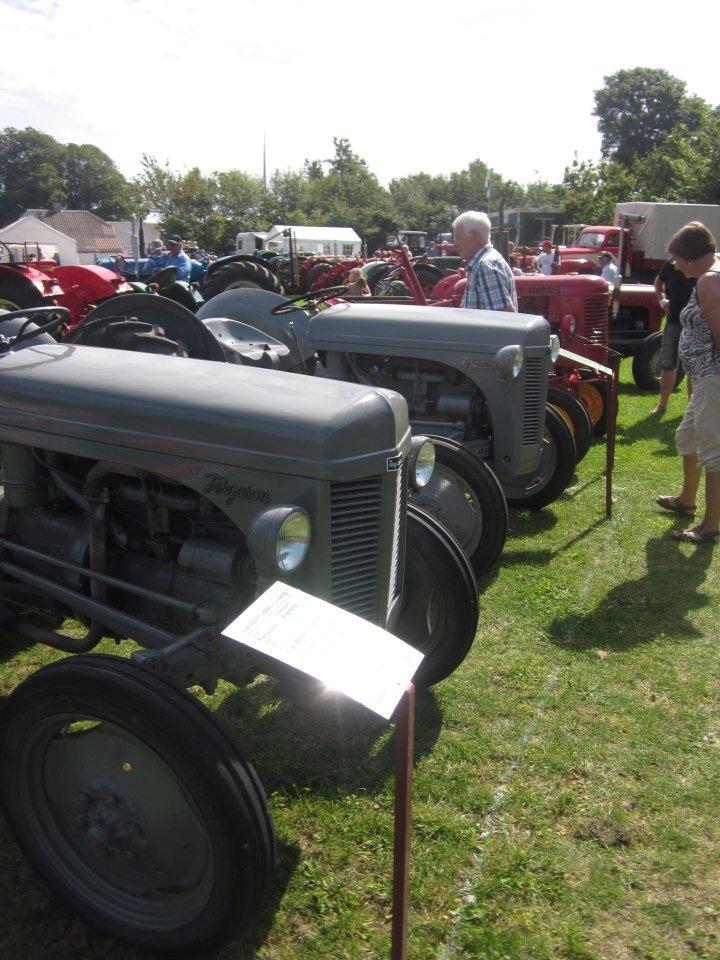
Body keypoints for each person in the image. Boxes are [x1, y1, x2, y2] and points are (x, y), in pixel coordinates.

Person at [655, 221, 720, 544]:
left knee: (713, 452)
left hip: (713, 378)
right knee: (688, 438)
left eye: (678, 258)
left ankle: (711, 527)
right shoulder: (709, 275)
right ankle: (687, 501)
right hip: (704, 378)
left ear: (693, 257)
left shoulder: (709, 281)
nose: (676, 265)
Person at [652, 257, 696, 414]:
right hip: (673, 321)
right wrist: (662, 302)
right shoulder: (672, 263)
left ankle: (692, 408)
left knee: (693, 365)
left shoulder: (703, 262)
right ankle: (662, 405)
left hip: (695, 323)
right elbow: (658, 282)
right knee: (668, 363)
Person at [452, 211, 517, 312]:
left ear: (475, 236)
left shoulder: (485, 266)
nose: (455, 244)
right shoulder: (483, 263)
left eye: (458, 238)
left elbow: (504, 318)